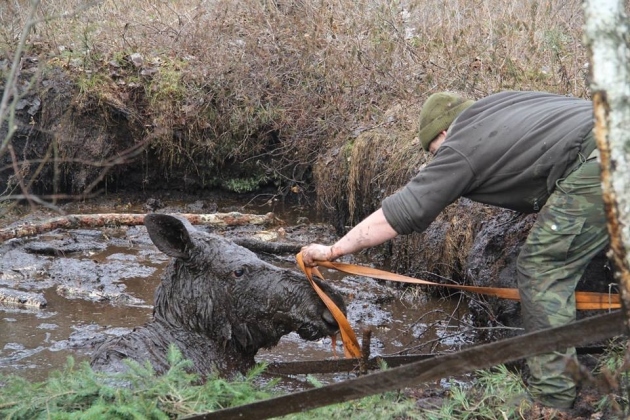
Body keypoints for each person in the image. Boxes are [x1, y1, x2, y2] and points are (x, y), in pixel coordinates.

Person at [300, 91, 608, 410]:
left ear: (444, 133)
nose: (439, 159)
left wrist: (334, 250)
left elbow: (402, 212)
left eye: (436, 152)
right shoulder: (501, 105)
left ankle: (554, 400)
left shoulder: (461, 144)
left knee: (543, 269)